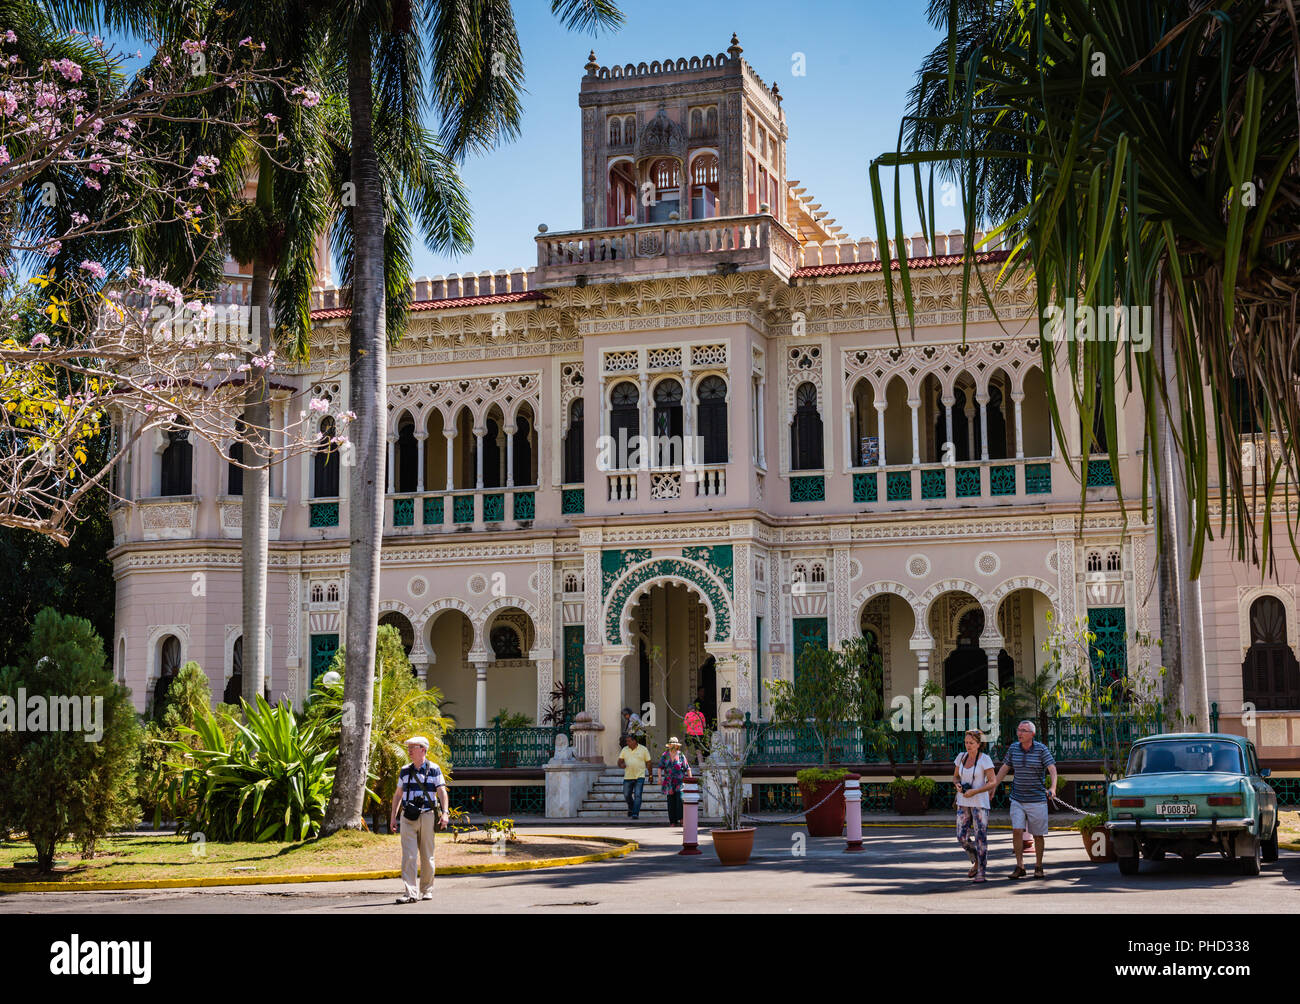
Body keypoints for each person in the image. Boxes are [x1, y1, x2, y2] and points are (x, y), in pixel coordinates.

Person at [990, 720, 1058, 878]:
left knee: (1038, 835)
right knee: (1016, 831)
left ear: (1032, 734)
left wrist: (1053, 787)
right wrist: (993, 785)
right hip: (1017, 799)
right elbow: (1004, 768)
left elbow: (1052, 769)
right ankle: (1020, 866)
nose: (1020, 733)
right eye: (1019, 729)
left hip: (1037, 799)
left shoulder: (1041, 749)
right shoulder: (1014, 748)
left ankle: (1038, 866)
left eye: (1024, 730)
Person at [389, 736, 450, 904]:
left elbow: (442, 792)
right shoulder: (405, 770)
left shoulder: (435, 769)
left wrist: (445, 813)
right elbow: (398, 795)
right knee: (408, 856)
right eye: (408, 747)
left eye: (412, 747)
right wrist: (393, 816)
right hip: (408, 817)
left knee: (427, 856)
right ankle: (410, 893)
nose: (409, 751)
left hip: (428, 815)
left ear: (423, 750)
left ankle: (427, 890)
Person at [952, 729, 996, 883]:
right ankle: (976, 860)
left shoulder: (985, 759)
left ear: (979, 744)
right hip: (963, 801)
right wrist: (957, 784)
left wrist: (976, 791)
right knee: (961, 836)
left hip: (979, 802)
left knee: (980, 837)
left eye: (971, 743)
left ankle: (981, 871)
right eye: (966, 742)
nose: (968, 745)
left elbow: (992, 781)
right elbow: (956, 776)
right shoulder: (961, 757)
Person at [658, 737, 693, 826]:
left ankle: (681, 818)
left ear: (677, 746)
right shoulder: (665, 755)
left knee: (680, 800)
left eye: (674, 745)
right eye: (671, 745)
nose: (673, 747)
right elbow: (660, 767)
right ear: (669, 746)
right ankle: (672, 821)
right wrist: (659, 778)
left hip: (679, 782)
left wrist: (690, 780)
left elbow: (687, 768)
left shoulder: (681, 755)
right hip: (669, 781)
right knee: (671, 801)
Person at [617, 733, 653, 819]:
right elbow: (619, 762)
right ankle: (631, 807)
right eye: (627, 741)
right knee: (626, 795)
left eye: (629, 741)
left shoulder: (643, 749)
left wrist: (650, 775)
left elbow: (648, 763)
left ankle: (635, 813)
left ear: (634, 741)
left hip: (640, 776)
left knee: (638, 795)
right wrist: (621, 765)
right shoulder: (624, 750)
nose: (627, 743)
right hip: (628, 777)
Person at [684, 701, 708, 766]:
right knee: (698, 751)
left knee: (686, 749)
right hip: (699, 734)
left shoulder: (688, 715)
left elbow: (685, 725)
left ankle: (685, 765)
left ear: (689, 709)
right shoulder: (700, 714)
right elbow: (704, 725)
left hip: (689, 733)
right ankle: (701, 767)